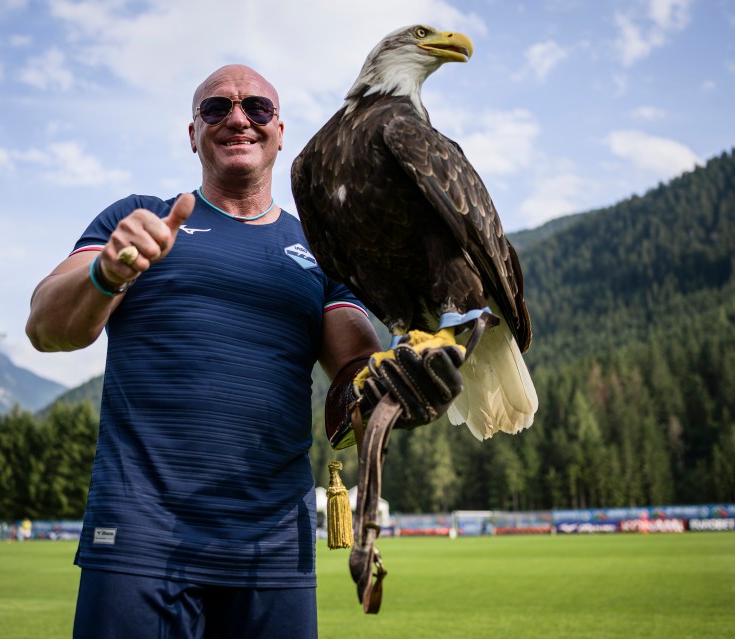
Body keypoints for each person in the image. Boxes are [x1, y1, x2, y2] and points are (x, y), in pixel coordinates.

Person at [26, 64, 465, 638]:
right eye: (216, 108)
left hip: (273, 552)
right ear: (192, 133)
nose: (237, 118)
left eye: (256, 108)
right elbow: (46, 326)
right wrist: (109, 271)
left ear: (280, 132)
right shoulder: (137, 221)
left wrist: (403, 383)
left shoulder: (323, 247)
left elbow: (356, 373)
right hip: (140, 538)